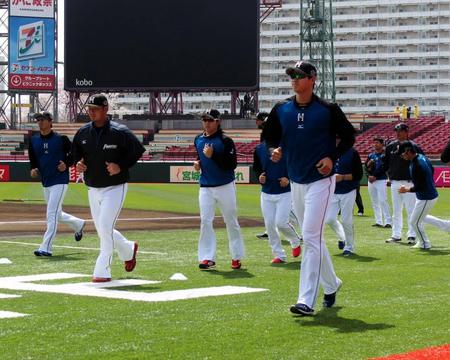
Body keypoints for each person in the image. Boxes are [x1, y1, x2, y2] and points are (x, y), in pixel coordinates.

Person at [263, 60, 356, 316]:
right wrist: (274, 150)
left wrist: (332, 157)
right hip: (296, 180)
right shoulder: (281, 109)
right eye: (292, 75)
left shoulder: (328, 109)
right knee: (312, 237)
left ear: (312, 79)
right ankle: (332, 283)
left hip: (321, 181)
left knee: (311, 238)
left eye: (300, 75)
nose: (294, 79)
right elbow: (268, 136)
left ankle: (305, 300)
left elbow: (349, 136)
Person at [72, 94, 145, 282]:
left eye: (95, 108)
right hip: (92, 187)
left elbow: (138, 150)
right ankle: (128, 249)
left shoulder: (119, 131)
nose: (91, 112)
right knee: (103, 229)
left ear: (105, 109)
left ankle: (102, 270)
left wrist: (120, 165)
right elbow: (76, 155)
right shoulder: (83, 132)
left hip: (115, 187)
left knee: (104, 226)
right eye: (89, 108)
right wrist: (78, 163)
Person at [193, 109, 245, 270]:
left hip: (225, 186)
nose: (207, 123)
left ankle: (236, 256)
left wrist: (213, 155)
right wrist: (198, 163)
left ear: (218, 121)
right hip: (206, 187)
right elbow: (200, 156)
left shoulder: (226, 141)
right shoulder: (198, 139)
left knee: (231, 221)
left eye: (210, 120)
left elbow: (231, 165)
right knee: (205, 221)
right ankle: (207, 257)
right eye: (204, 120)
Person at [29, 112, 85, 257]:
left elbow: (74, 154)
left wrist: (66, 164)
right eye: (38, 120)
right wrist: (33, 168)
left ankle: (46, 247)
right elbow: (33, 159)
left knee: (51, 214)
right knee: (57, 214)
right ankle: (78, 224)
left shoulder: (61, 139)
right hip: (46, 181)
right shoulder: (34, 140)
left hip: (60, 181)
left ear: (50, 121)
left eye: (42, 120)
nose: (40, 122)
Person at [253, 139, 301, 263]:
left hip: (285, 193)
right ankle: (279, 255)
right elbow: (257, 168)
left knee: (281, 223)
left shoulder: (289, 146)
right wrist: (260, 177)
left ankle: (295, 241)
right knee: (269, 225)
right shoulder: (259, 149)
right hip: (266, 193)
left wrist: (289, 179)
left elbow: (297, 167)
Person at [398, 141, 450, 249]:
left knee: (414, 222)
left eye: (403, 153)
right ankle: (447, 226)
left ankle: (425, 244)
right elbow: (432, 170)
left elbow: (419, 186)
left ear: (408, 151)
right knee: (420, 217)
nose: (402, 156)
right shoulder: (421, 157)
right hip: (426, 195)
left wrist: (406, 189)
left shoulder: (417, 165)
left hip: (426, 197)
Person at [384, 123, 423, 244]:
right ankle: (396, 235)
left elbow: (421, 161)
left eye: (400, 130)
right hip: (395, 182)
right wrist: (389, 177)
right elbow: (386, 163)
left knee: (411, 210)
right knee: (396, 210)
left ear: (407, 132)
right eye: (396, 131)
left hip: (409, 183)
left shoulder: (413, 146)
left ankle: (412, 235)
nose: (398, 133)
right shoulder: (390, 147)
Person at [325, 143, 363, 256]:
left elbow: (358, 175)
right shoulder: (328, 151)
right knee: (329, 219)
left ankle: (349, 247)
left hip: (348, 190)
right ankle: (342, 237)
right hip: (333, 191)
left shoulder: (352, 153)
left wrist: (342, 177)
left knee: (346, 220)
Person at [365, 137, 392, 228]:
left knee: (383, 200)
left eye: (377, 143)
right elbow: (366, 167)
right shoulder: (371, 155)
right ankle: (379, 221)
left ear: (382, 144)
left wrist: (375, 176)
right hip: (371, 181)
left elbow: (384, 168)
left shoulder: (384, 155)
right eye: (374, 143)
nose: (375, 144)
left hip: (381, 179)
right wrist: (368, 176)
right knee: (374, 201)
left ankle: (388, 221)